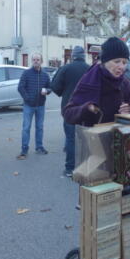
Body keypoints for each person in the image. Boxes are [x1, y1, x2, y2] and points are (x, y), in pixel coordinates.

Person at [63, 37, 130, 127]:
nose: (121, 66)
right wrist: (87, 108)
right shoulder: (89, 81)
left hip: (119, 136)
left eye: (124, 62)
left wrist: (129, 111)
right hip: (93, 138)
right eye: (117, 61)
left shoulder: (124, 84)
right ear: (104, 61)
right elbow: (68, 114)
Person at [51, 46, 89, 177]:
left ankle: (70, 169)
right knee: (86, 139)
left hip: (69, 109)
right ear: (84, 56)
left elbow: (55, 87)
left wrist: (64, 92)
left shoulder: (65, 68)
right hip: (87, 109)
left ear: (73, 56)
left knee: (71, 139)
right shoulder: (90, 69)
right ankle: (86, 167)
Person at [17, 53, 51, 159]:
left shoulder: (45, 75)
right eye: (34, 59)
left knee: (39, 127)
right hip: (29, 106)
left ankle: (39, 147)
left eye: (38, 59)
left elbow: (50, 87)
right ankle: (24, 149)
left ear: (41, 61)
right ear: (32, 61)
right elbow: (20, 87)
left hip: (41, 105)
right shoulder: (26, 73)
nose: (36, 61)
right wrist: (28, 98)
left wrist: (47, 91)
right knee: (26, 128)